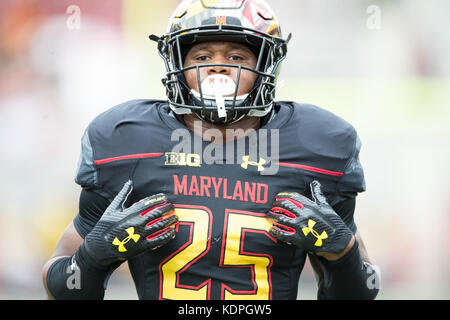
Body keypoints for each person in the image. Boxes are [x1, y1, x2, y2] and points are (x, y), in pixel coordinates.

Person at [42, 0, 379, 300]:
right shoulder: (124, 140)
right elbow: (60, 286)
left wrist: (344, 254)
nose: (218, 67)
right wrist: (92, 258)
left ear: (265, 64)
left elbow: (366, 289)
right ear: (178, 63)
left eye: (236, 56)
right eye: (202, 56)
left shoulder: (317, 143)